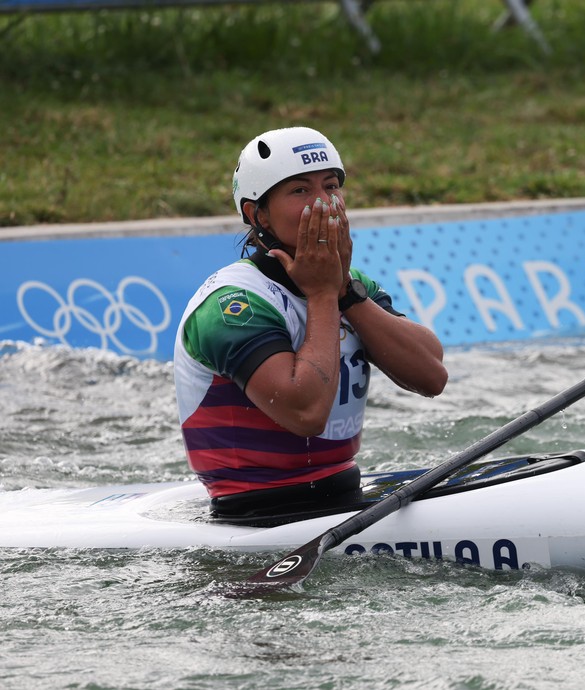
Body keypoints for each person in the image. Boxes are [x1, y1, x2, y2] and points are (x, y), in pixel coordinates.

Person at [173, 126, 447, 523]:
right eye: (300, 191)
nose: (324, 204)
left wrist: (345, 294)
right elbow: (306, 414)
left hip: (344, 493)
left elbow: (432, 375)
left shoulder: (352, 286)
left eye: (332, 186)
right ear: (257, 214)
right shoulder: (231, 304)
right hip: (254, 514)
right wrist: (322, 296)